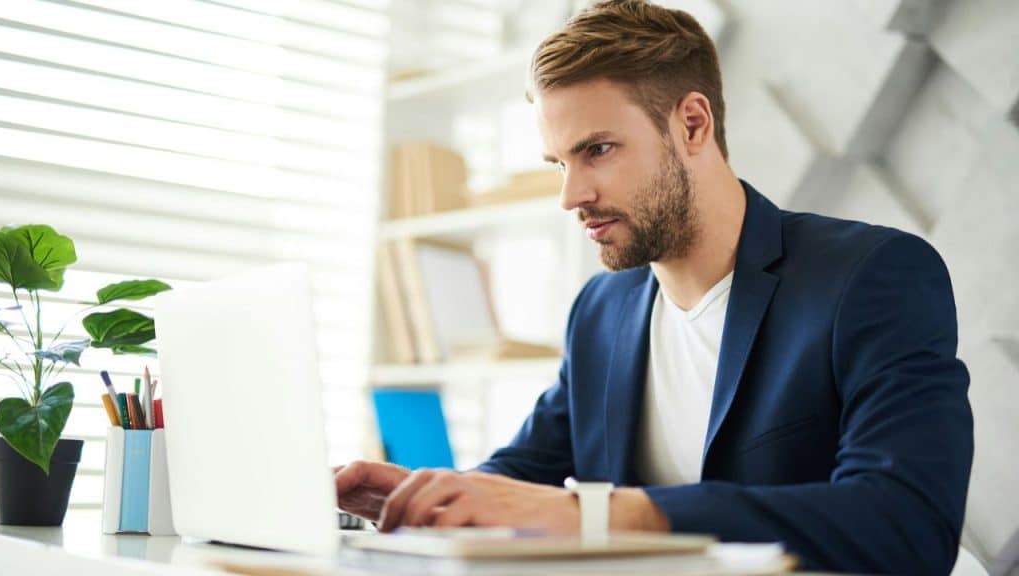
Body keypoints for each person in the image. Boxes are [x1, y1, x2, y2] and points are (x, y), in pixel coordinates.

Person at [335, 1, 974, 573]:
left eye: (599, 150)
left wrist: (604, 516)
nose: (570, 195)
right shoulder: (601, 310)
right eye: (560, 163)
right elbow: (524, 472)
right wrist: (426, 497)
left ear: (693, 124)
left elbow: (907, 525)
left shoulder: (872, 276)